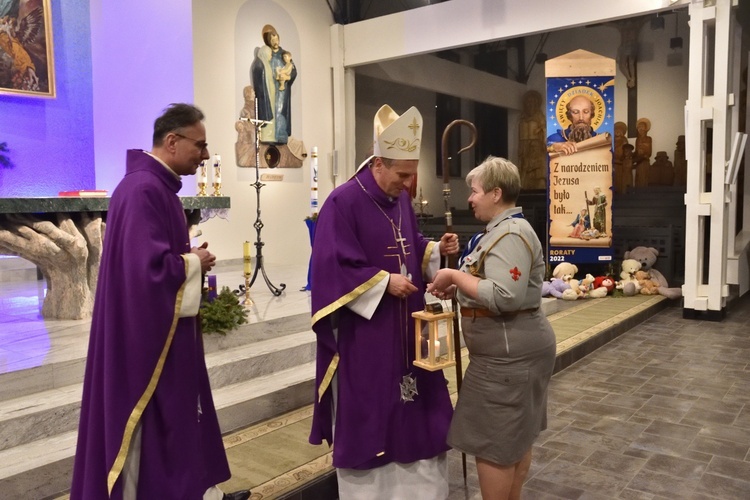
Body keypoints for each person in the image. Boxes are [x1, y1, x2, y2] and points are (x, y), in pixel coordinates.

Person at [70, 104, 249, 500]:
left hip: (166, 336)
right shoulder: (142, 190)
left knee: (177, 417)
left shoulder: (156, 187)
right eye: (199, 145)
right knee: (153, 419)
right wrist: (192, 262)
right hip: (145, 344)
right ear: (172, 141)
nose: (204, 155)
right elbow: (144, 274)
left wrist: (186, 261)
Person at [309, 104, 460, 499]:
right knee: (374, 415)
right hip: (367, 338)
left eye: (412, 175)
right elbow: (331, 268)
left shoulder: (400, 201)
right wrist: (381, 283)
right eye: (402, 175)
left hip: (409, 332)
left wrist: (433, 252)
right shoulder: (343, 203)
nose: (409, 185)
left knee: (418, 414)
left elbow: (407, 248)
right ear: (378, 163)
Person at [426, 156, 556, 500]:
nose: (470, 198)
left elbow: (504, 296)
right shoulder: (503, 230)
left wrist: (454, 275)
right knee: (514, 438)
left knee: (496, 442)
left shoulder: (510, 233)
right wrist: (463, 288)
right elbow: (490, 282)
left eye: (475, 191)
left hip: (507, 360)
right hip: (511, 352)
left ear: (496, 194)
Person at [250, 24, 296, 144]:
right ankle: (269, 135)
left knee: (280, 111)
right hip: (270, 89)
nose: (276, 42)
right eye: (273, 40)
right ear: (269, 41)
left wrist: (287, 77)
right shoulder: (266, 55)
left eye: (277, 39)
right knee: (270, 110)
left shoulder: (285, 55)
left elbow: (293, 70)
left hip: (282, 90)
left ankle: (281, 135)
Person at [517, 90, 547, 190]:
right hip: (524, 144)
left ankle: (539, 184)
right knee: (524, 164)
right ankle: (524, 184)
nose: (530, 105)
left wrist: (540, 130)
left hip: (536, 144)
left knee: (536, 165)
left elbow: (543, 127)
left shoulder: (539, 116)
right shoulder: (523, 117)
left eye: (532, 102)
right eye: (528, 103)